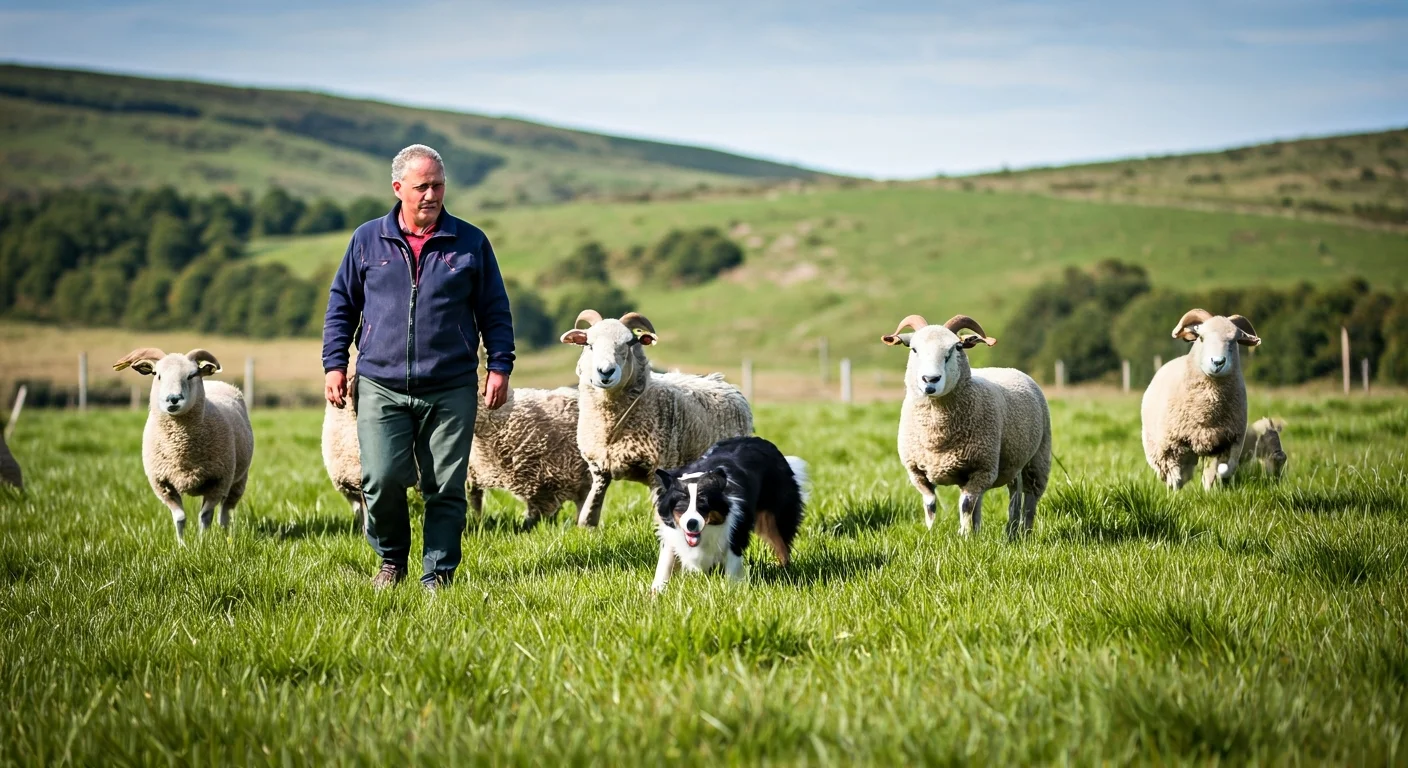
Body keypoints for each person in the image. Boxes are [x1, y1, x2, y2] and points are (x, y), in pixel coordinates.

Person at [322, 144, 514, 591]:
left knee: (445, 486)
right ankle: (391, 561)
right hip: (380, 384)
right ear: (398, 188)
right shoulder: (367, 240)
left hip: (451, 385)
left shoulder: (471, 242)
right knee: (382, 479)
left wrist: (500, 365)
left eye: (438, 185)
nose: (431, 194)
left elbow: (495, 310)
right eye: (422, 186)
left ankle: (438, 574)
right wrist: (335, 364)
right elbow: (342, 306)